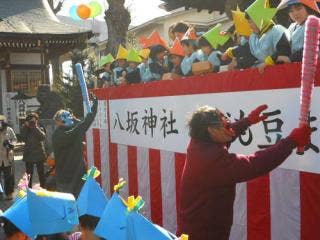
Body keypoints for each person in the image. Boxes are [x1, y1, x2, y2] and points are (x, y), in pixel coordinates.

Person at [177, 105, 311, 240]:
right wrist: (291, 142)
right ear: (211, 130)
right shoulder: (210, 161)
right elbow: (253, 164)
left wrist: (247, 122)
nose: (229, 123)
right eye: (224, 122)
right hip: (201, 234)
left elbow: (226, 135)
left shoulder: (201, 142)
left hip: (196, 228)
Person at [52, 97, 98, 197]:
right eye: (66, 116)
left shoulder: (70, 130)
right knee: (68, 207)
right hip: (66, 178)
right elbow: (80, 128)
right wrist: (93, 111)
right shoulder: (59, 135)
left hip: (79, 175)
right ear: (58, 121)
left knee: (82, 203)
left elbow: (79, 125)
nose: (70, 118)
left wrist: (76, 118)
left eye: (70, 116)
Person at [245, 0, 291, 73]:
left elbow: (284, 51)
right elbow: (251, 57)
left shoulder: (277, 30)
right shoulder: (253, 37)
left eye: (250, 22)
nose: (249, 26)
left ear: (259, 19)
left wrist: (269, 61)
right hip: (263, 72)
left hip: (281, 71)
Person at [20, 112, 47, 188]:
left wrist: (34, 127)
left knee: (41, 173)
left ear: (37, 120)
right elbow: (22, 138)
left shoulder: (39, 127)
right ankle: (29, 189)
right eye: (30, 120)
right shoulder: (25, 128)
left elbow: (43, 137)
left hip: (39, 153)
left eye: (33, 120)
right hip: (28, 154)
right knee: (29, 174)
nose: (32, 122)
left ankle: (43, 188)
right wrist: (26, 127)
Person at [0, 115, 16, 200]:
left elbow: (14, 139)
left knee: (8, 176)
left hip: (7, 157)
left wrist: (10, 144)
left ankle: (9, 193)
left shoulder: (9, 130)